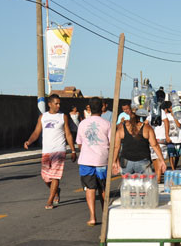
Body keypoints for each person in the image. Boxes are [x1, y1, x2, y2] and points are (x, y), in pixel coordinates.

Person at [24, 94, 76, 209]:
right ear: (50, 104)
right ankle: (56, 191)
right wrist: (29, 141)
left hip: (59, 150)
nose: (58, 105)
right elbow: (36, 132)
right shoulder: (43, 117)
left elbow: (68, 134)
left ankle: (50, 200)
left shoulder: (63, 116)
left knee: (55, 176)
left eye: (59, 103)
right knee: (45, 177)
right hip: (46, 151)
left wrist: (72, 150)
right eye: (56, 103)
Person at [76, 97, 111, 226]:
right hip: (102, 160)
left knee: (90, 188)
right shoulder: (107, 124)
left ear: (89, 108)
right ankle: (105, 215)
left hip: (86, 161)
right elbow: (112, 143)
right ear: (102, 107)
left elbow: (79, 143)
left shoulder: (82, 124)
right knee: (102, 188)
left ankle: (92, 217)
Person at [112, 107, 166, 175]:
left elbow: (116, 147)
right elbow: (155, 145)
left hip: (126, 161)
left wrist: (114, 162)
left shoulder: (122, 128)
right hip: (143, 160)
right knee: (144, 183)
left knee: (127, 184)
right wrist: (162, 161)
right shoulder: (147, 128)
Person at [149, 103, 170, 183]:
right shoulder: (151, 112)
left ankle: (157, 180)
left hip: (160, 139)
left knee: (158, 161)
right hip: (153, 139)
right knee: (155, 160)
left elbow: (166, 121)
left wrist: (167, 135)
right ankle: (157, 179)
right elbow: (146, 123)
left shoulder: (160, 112)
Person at [166, 101, 181, 170]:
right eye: (171, 108)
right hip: (170, 139)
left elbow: (179, 125)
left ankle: (175, 166)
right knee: (171, 155)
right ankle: (173, 169)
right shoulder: (166, 116)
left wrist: (174, 117)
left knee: (177, 155)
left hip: (178, 139)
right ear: (169, 109)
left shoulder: (180, 115)